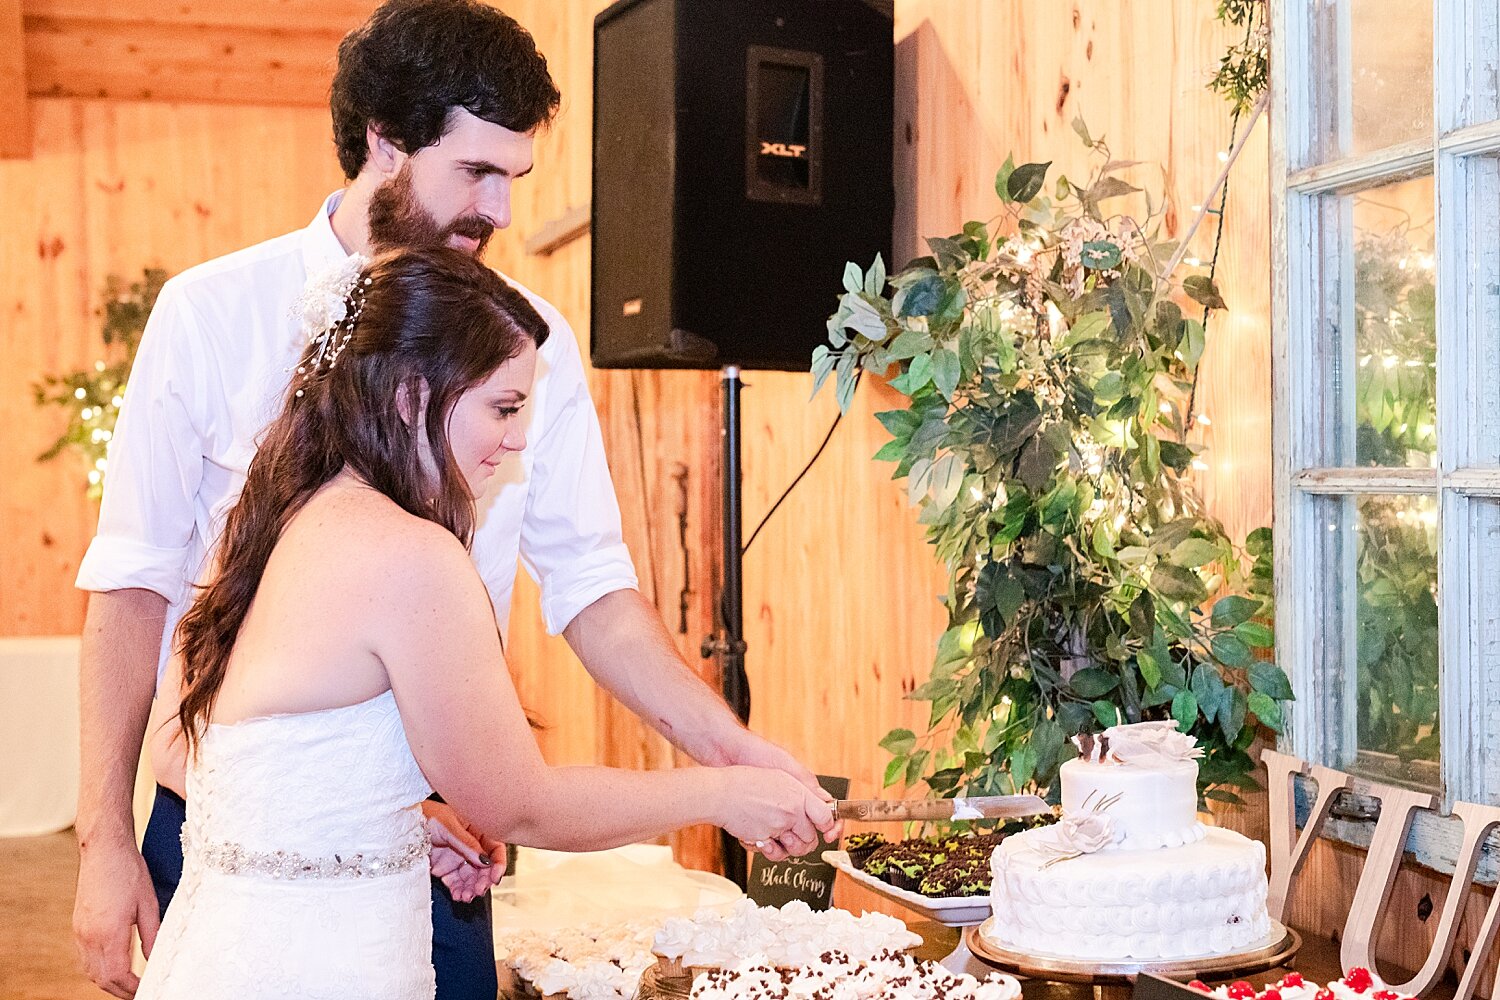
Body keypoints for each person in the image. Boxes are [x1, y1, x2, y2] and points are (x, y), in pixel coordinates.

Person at [70, 3, 836, 998]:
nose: (503, 212)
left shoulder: (531, 336)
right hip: (230, 822)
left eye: (516, 178)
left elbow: (595, 591)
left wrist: (728, 745)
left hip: (427, 824)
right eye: (475, 172)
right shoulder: (214, 314)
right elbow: (134, 591)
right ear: (384, 143)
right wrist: (100, 838)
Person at [129, 246, 831, 999]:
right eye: (502, 407)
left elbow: (185, 748)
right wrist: (720, 795)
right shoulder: (412, 556)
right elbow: (520, 803)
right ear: (409, 397)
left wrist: (368, 834)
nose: (519, 438)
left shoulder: (269, 516)